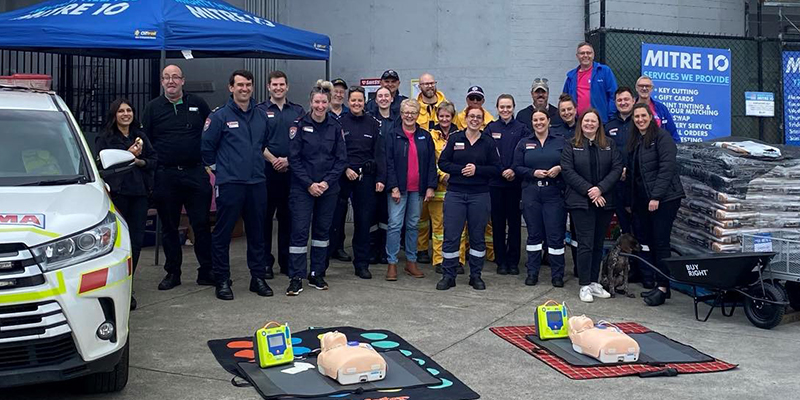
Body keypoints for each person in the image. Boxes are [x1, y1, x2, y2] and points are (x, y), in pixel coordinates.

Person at [201, 70, 273, 300]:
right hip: (230, 183)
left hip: (257, 183)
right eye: (240, 85)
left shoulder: (261, 115)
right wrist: (219, 170)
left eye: (248, 85)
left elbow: (264, 143)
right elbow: (206, 148)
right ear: (231, 88)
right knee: (223, 234)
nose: (245, 89)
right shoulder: (219, 116)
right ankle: (222, 280)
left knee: (257, 233)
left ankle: (258, 278)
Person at [142, 65, 213, 291]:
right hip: (166, 175)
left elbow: (211, 133)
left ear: (183, 80)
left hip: (195, 172)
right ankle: (173, 273)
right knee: (170, 227)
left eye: (175, 77)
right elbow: (146, 141)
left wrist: (210, 165)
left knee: (201, 224)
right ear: (162, 82)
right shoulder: (153, 108)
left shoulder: (198, 104)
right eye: (166, 77)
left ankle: (206, 271)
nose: (171, 81)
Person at [286, 80, 348, 296]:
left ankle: (317, 273)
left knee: (322, 233)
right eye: (317, 102)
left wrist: (326, 183)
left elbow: (341, 160)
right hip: (303, 188)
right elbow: (294, 159)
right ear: (310, 102)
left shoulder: (335, 127)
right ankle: (296, 277)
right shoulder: (299, 125)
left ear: (329, 103)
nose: (320, 106)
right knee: (300, 232)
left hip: (328, 189)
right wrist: (309, 184)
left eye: (324, 102)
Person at [96, 98, 157, 310]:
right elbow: (101, 166)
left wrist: (140, 161)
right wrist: (128, 155)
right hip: (117, 195)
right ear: (114, 115)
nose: (126, 114)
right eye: (121, 111)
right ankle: (116, 285)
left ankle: (129, 285)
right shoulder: (105, 139)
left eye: (129, 110)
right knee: (117, 243)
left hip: (139, 195)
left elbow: (154, 161)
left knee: (135, 242)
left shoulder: (140, 136)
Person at [626, 103, 685, 306]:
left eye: (643, 116)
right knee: (648, 241)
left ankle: (662, 287)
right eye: (637, 117)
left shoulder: (662, 137)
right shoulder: (637, 140)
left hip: (664, 199)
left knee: (661, 242)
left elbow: (667, 168)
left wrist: (656, 197)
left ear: (651, 117)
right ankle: (657, 284)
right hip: (644, 201)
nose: (640, 119)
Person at [561, 108, 622, 303]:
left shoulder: (609, 144)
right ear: (581, 124)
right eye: (586, 121)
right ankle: (584, 284)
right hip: (581, 202)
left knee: (598, 244)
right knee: (585, 244)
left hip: (604, 201)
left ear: (598, 124)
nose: (589, 124)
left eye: (593, 121)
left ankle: (595, 282)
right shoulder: (571, 145)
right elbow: (568, 171)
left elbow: (616, 168)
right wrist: (590, 190)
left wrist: (600, 189)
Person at [437, 106, 501, 291]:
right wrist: (461, 170)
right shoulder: (456, 138)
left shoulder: (488, 142)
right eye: (471, 116)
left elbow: (496, 168)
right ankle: (448, 276)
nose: (474, 119)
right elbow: (443, 162)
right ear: (465, 118)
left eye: (478, 117)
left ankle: (476, 276)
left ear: (482, 120)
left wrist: (477, 170)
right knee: (451, 236)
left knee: (477, 237)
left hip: (479, 195)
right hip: (456, 193)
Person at [329, 86, 385, 280]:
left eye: (360, 100)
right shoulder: (339, 123)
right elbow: (335, 150)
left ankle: (361, 263)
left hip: (365, 178)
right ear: (348, 101)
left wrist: (379, 178)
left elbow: (379, 153)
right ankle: (326, 259)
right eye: (353, 100)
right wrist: (345, 169)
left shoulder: (373, 123)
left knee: (363, 221)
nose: (356, 103)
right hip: (343, 175)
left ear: (364, 102)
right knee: (335, 218)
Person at [257, 70, 305, 278]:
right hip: (266, 171)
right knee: (264, 220)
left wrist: (288, 161)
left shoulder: (298, 110)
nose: (278, 88)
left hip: (291, 172)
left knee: (288, 219)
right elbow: (256, 141)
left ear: (287, 87)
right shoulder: (259, 111)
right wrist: (273, 159)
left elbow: (303, 142)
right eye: (274, 85)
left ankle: (286, 262)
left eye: (281, 84)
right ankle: (265, 263)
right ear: (268, 87)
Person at [512, 107, 566, 287]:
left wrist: (559, 168)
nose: (539, 123)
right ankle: (532, 273)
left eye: (542, 119)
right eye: (535, 120)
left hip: (553, 194)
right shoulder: (524, 143)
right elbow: (517, 167)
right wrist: (532, 172)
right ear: (532, 122)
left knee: (555, 236)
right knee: (534, 235)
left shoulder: (560, 141)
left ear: (548, 121)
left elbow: (569, 163)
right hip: (531, 193)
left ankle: (557, 275)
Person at [385, 99, 437, 281]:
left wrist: (431, 186)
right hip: (399, 190)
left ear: (418, 115)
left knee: (413, 226)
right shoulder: (393, 135)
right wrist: (393, 187)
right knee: (394, 225)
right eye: (406, 112)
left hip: (418, 190)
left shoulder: (425, 136)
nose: (409, 116)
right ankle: (392, 263)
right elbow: (388, 163)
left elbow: (431, 162)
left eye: (413, 112)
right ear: (401, 113)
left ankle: (411, 262)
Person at [486, 94, 526, 276]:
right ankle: (501, 260)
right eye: (502, 107)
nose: (505, 110)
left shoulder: (522, 129)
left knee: (515, 223)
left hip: (515, 183)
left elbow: (523, 153)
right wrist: (502, 170)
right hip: (496, 183)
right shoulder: (490, 128)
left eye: (508, 106)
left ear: (514, 107)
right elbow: (489, 154)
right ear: (497, 108)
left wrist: (512, 170)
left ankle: (513, 261)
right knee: (498, 223)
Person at [427, 101, 467, 273]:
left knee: (460, 227)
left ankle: (459, 260)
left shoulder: (460, 136)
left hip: (457, 187)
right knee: (438, 228)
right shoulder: (430, 136)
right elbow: (430, 161)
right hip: (438, 188)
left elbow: (464, 160)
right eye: (441, 116)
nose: (444, 119)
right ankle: (439, 260)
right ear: (437, 117)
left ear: (453, 117)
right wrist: (443, 176)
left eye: (447, 116)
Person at [415, 73, 448, 264]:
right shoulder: (414, 107)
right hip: (418, 167)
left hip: (439, 169)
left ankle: (439, 255)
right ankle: (420, 250)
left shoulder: (445, 104)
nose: (429, 86)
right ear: (419, 86)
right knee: (420, 217)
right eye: (425, 83)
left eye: (431, 83)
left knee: (438, 220)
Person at [327, 77, 353, 262]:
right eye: (335, 90)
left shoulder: (349, 113)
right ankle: (325, 246)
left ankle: (338, 246)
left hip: (344, 170)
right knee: (325, 211)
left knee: (341, 209)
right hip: (325, 170)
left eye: (341, 91)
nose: (338, 94)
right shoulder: (321, 111)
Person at [369, 87, 396, 265]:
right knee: (372, 214)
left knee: (388, 216)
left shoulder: (398, 121)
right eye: (380, 96)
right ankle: (372, 250)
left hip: (392, 173)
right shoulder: (370, 120)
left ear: (392, 99)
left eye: (387, 96)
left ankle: (385, 251)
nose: (384, 99)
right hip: (373, 174)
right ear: (375, 100)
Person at [562, 42, 618, 123]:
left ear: (593, 55)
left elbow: (613, 96)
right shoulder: (571, 77)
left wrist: (610, 116)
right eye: (582, 53)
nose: (585, 55)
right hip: (578, 123)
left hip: (601, 122)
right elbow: (565, 99)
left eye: (588, 53)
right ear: (577, 56)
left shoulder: (604, 71)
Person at [605, 86, 635, 235]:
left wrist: (628, 169)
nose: (623, 103)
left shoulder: (640, 123)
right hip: (616, 183)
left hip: (636, 183)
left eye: (626, 99)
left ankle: (640, 258)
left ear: (633, 101)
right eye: (619, 100)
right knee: (623, 226)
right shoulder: (609, 127)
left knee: (638, 227)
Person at [634, 76, 679, 143]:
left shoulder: (661, 108)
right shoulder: (630, 107)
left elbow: (672, 132)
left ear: (652, 89)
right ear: (636, 88)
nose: (644, 88)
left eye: (647, 86)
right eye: (641, 86)